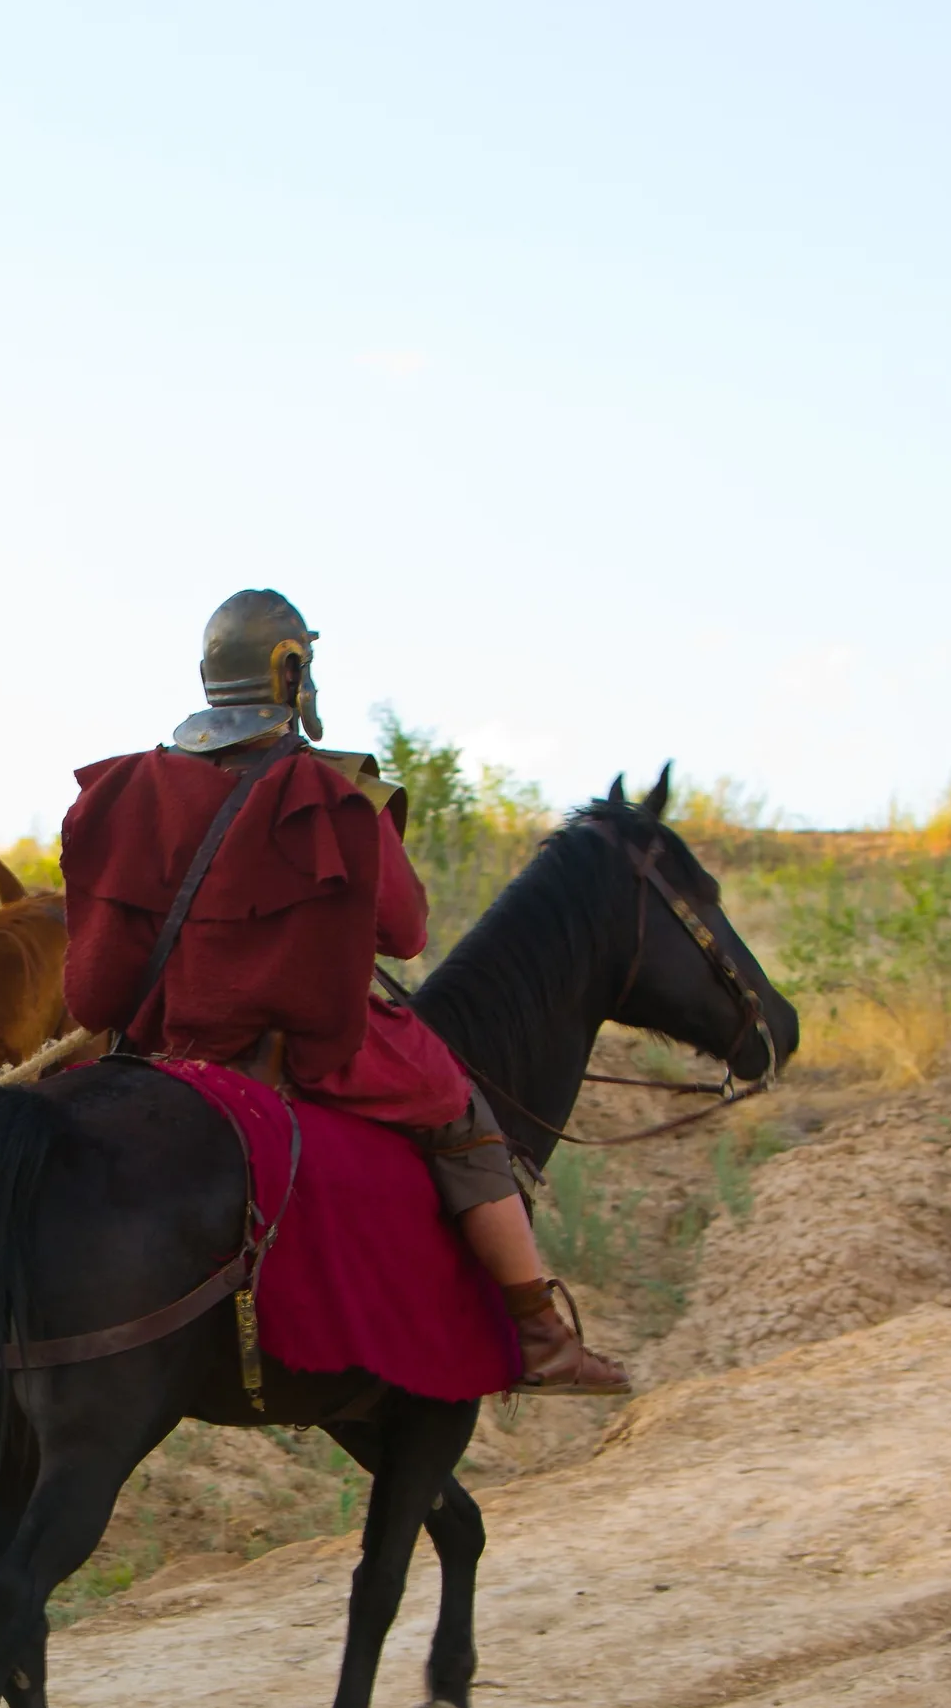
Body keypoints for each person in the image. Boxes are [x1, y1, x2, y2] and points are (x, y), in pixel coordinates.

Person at [59, 590, 628, 1394]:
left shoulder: (122, 791)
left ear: (206, 675)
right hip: (293, 1050)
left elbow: (92, 989)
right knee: (459, 1111)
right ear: (292, 670)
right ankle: (540, 1334)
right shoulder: (334, 790)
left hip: (161, 1048)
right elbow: (406, 933)